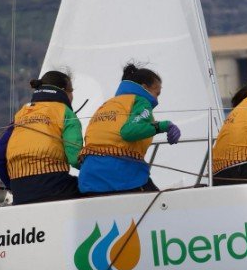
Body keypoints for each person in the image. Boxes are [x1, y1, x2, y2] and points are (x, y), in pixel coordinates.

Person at [78, 63, 182, 194]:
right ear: (145, 88)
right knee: (159, 205)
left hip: (89, 179)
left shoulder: (108, 104)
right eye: (157, 93)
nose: (157, 99)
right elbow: (128, 132)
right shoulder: (141, 102)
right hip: (121, 176)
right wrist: (164, 126)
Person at [0, 70, 83, 204]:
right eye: (71, 90)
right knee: (92, 188)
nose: (72, 96)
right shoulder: (65, 112)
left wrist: (12, 186)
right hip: (55, 186)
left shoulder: (21, 114)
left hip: (21, 192)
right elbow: (75, 158)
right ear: (64, 91)